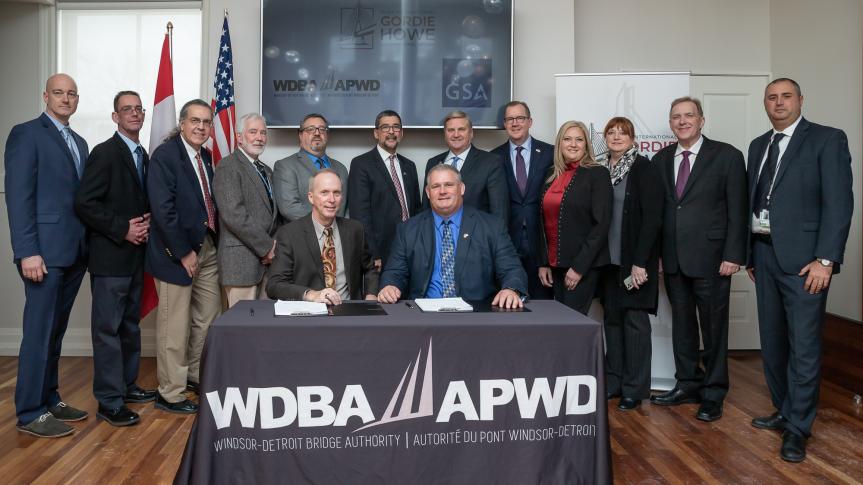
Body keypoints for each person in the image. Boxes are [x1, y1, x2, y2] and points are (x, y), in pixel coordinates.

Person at [746, 78, 853, 462]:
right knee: (773, 343)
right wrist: (749, 257)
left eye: (786, 96)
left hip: (806, 263)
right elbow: (752, 201)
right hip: (764, 257)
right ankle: (783, 409)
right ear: (765, 103)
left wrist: (826, 260)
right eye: (771, 97)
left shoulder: (827, 139)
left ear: (800, 101)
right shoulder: (758, 145)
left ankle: (798, 428)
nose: (778, 102)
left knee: (804, 348)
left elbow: (839, 204)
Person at [649, 97, 747, 423]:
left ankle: (714, 392)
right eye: (676, 116)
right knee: (683, 327)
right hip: (674, 259)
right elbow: (662, 213)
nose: (682, 121)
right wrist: (659, 256)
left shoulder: (727, 156)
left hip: (714, 258)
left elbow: (738, 209)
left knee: (714, 328)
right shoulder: (661, 159)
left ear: (701, 120)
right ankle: (687, 383)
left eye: (689, 115)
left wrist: (734, 254)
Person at [5, 73, 90, 437]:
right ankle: (29, 412)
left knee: (55, 331)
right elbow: (18, 197)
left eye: (71, 94)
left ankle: (50, 397)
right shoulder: (26, 134)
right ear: (45, 96)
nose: (65, 99)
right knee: (38, 333)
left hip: (74, 252)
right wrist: (27, 252)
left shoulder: (81, 142)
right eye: (58, 93)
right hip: (42, 254)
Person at [74, 90, 157, 427]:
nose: (134, 113)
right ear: (115, 117)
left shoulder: (144, 155)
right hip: (111, 257)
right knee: (107, 329)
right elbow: (85, 203)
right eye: (127, 109)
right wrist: (122, 229)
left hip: (136, 257)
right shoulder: (105, 153)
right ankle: (109, 402)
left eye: (138, 108)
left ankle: (127, 384)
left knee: (129, 325)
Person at [146, 99, 221, 414]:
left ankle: (193, 375)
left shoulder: (204, 155)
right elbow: (163, 210)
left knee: (208, 318)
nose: (201, 127)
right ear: (182, 122)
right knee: (174, 326)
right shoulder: (165, 156)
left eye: (206, 122)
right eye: (195, 121)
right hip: (175, 253)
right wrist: (184, 253)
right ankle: (170, 392)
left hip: (207, 246)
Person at [378, 164, 526, 308]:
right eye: (436, 186)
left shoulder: (491, 226)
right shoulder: (408, 229)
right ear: (428, 193)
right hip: (423, 316)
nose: (442, 191)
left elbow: (511, 269)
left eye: (449, 185)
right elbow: (395, 271)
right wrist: (390, 286)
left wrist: (511, 289)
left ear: (461, 188)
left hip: (477, 314)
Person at [596, 117, 663, 411]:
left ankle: (635, 389)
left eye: (622, 132)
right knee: (611, 321)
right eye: (611, 132)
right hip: (607, 262)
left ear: (633, 138)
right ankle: (615, 382)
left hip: (633, 262)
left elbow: (652, 219)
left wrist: (640, 263)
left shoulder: (643, 168)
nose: (616, 136)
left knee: (635, 323)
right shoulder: (599, 169)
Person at [267, 170, 378, 303]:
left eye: (336, 193)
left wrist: (371, 295)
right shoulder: (289, 234)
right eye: (324, 192)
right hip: (310, 313)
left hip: (349, 310)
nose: (331, 199)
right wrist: (311, 294)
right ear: (311, 197)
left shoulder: (355, 230)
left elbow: (370, 268)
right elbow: (274, 285)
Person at [538, 121, 612, 315]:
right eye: (567, 139)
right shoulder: (551, 175)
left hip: (581, 266)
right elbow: (543, 223)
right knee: (561, 325)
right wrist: (544, 262)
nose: (573, 144)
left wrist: (578, 268)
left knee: (573, 325)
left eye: (579, 140)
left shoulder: (598, 173)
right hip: (555, 265)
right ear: (559, 144)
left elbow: (601, 225)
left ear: (586, 144)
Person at [213, 113, 279, 307]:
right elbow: (234, 214)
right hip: (241, 263)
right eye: (253, 132)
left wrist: (274, 249)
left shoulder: (266, 170)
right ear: (240, 137)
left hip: (268, 264)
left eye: (263, 133)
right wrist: (266, 247)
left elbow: (274, 215)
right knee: (241, 329)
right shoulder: (228, 166)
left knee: (265, 328)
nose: (259, 137)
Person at [491, 101, 554, 299]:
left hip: (540, 242)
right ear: (504, 124)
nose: (515, 123)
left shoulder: (550, 153)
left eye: (520, 118)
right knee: (507, 302)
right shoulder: (493, 157)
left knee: (542, 306)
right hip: (507, 240)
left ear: (530, 121)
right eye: (510, 119)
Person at [347, 110, 421, 271]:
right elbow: (360, 215)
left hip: (411, 246)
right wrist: (373, 253)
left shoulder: (409, 165)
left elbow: (416, 209)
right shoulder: (361, 164)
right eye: (385, 127)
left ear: (401, 133)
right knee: (384, 295)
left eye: (395, 127)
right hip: (381, 251)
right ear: (376, 133)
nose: (391, 132)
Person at [423, 111, 509, 223]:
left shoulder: (491, 162)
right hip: (439, 237)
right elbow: (426, 209)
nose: (456, 134)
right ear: (445, 134)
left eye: (461, 129)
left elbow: (499, 211)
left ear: (471, 133)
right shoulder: (433, 163)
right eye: (451, 130)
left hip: (477, 237)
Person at [273, 114, 348, 222]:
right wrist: (325, 226)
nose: (317, 133)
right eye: (310, 129)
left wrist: (340, 229)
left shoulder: (341, 168)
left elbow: (346, 208)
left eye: (322, 129)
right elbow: (289, 208)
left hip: (339, 235)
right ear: (300, 135)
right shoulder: (285, 166)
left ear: (327, 135)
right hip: (303, 235)